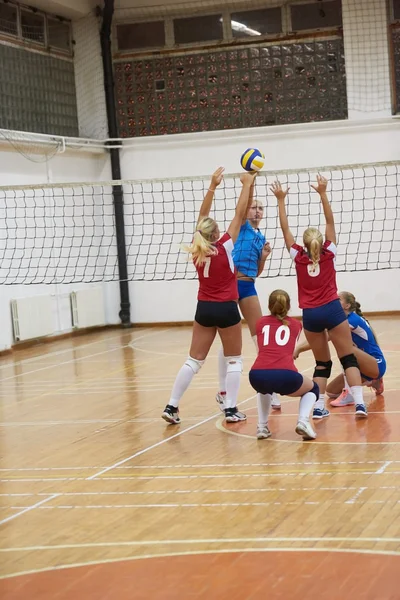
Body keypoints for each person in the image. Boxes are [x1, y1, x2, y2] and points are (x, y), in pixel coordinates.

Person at [162, 167, 257, 425]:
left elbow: (202, 217)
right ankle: (230, 409)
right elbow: (239, 214)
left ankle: (172, 406)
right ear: (216, 234)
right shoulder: (225, 245)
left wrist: (213, 186)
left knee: (194, 360)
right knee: (234, 359)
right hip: (226, 308)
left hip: (203, 308)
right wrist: (247, 184)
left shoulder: (196, 248)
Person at [270, 175, 367, 419]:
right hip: (333, 310)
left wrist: (281, 200)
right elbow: (330, 221)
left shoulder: (298, 257)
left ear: (303, 244)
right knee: (348, 358)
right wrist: (323, 193)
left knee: (322, 364)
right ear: (321, 242)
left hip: (311, 314)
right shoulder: (329, 253)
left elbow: (285, 228)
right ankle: (360, 405)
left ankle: (318, 408)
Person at [215, 187, 282, 411]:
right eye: (254, 207)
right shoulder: (242, 225)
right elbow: (241, 208)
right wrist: (250, 181)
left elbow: (257, 271)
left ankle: (270, 389)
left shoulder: (261, 238)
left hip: (248, 285)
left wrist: (263, 257)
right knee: (228, 340)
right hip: (230, 284)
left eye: (260, 208)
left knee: (260, 337)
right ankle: (223, 390)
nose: (257, 211)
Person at [249, 289, 319, 440]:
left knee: (264, 388)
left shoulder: (260, 323)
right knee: (313, 388)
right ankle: (303, 421)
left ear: (269, 305)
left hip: (256, 374)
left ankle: (262, 427)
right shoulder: (296, 325)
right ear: (288, 306)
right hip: (285, 374)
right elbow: (289, 348)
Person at [294, 291, 386, 405]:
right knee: (331, 392)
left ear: (347, 306)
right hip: (363, 367)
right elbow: (319, 337)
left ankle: (350, 394)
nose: (334, 302)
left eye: (338, 299)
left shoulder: (352, 320)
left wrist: (298, 349)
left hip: (376, 364)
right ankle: (373, 381)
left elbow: (324, 337)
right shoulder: (342, 320)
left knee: (345, 350)